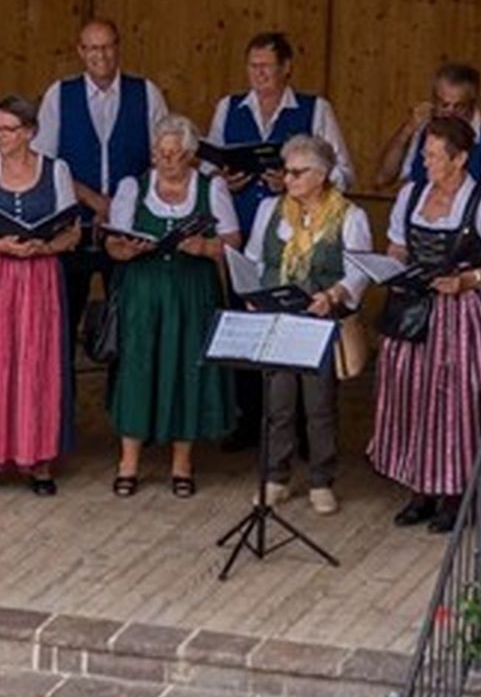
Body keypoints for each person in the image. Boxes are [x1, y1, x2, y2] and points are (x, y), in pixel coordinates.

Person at [369, 118, 481, 532]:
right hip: (412, 308)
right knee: (410, 394)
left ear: (460, 159)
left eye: (434, 155)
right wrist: (391, 268)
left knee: (456, 402)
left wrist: (468, 280)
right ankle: (420, 490)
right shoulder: (411, 195)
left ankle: (457, 496)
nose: (426, 162)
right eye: (425, 154)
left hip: (460, 314)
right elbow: (398, 245)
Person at [208, 31, 355, 446]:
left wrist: (296, 181)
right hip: (246, 231)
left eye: (266, 67)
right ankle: (250, 419)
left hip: (305, 236)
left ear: (287, 68)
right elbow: (208, 166)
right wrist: (224, 179)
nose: (258, 74)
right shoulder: (229, 107)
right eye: (252, 66)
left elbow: (344, 172)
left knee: (302, 329)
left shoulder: (314, 109)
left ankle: (307, 431)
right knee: (248, 320)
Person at [103, 115, 240, 498]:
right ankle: (128, 462)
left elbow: (232, 240)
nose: (166, 161)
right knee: (138, 367)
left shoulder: (211, 188)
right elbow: (112, 243)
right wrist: (126, 249)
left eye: (174, 154)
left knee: (187, 367)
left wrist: (204, 246)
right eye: (160, 154)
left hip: (192, 291)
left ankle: (182, 463)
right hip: (142, 290)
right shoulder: (133, 187)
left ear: (191, 155)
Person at [0, 96, 80, 496]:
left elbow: (73, 231)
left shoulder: (56, 170)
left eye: (8, 129)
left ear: (29, 132)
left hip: (40, 276)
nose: (0, 136)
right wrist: (2, 246)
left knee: (36, 363)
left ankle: (37, 461)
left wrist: (46, 246)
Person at [242, 135, 372, 515]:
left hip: (320, 321)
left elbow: (359, 270)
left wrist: (334, 294)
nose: (289, 179)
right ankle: (275, 477)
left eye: (298, 173)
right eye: (287, 171)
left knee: (319, 405)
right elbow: (254, 257)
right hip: (278, 318)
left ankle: (321, 479)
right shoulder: (270, 209)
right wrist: (252, 292)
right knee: (278, 403)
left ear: (321, 175)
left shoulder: (349, 215)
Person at [36, 18, 170, 352]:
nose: (101, 55)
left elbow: (163, 159)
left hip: (130, 229)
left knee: (129, 322)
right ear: (81, 51)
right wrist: (94, 201)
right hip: (73, 227)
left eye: (107, 46)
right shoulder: (59, 95)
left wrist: (121, 206)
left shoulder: (146, 93)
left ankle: (124, 386)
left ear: (118, 47)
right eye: (93, 48)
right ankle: (62, 387)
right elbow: (46, 164)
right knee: (63, 323)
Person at [373, 62, 481, 205]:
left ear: (473, 104)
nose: (450, 113)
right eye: (444, 105)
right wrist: (407, 130)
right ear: (433, 101)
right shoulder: (421, 133)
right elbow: (382, 179)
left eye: (459, 107)